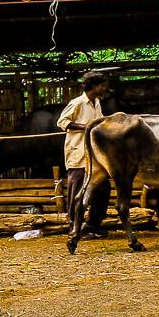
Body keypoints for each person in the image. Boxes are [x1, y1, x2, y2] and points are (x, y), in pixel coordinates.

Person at [57, 70, 113, 236]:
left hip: (94, 155)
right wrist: (85, 127)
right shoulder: (78, 103)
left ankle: (92, 224)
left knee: (103, 187)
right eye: (102, 85)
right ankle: (74, 227)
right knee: (77, 191)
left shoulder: (96, 103)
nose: (104, 88)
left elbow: (99, 121)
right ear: (94, 86)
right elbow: (62, 122)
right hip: (78, 154)